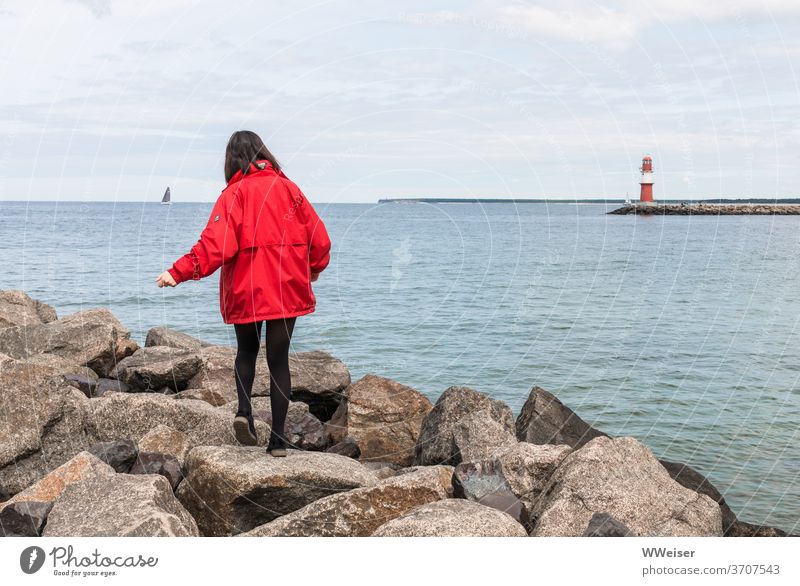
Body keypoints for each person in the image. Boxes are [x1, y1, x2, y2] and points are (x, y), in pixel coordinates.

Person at [155, 130, 331, 457]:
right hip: (287, 289)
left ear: (232, 160)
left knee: (246, 352)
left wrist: (177, 272)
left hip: (248, 289)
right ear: (264, 154)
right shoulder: (290, 189)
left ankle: (244, 412)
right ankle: (278, 441)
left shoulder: (234, 194)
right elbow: (320, 239)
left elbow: (215, 245)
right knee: (279, 360)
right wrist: (313, 269)